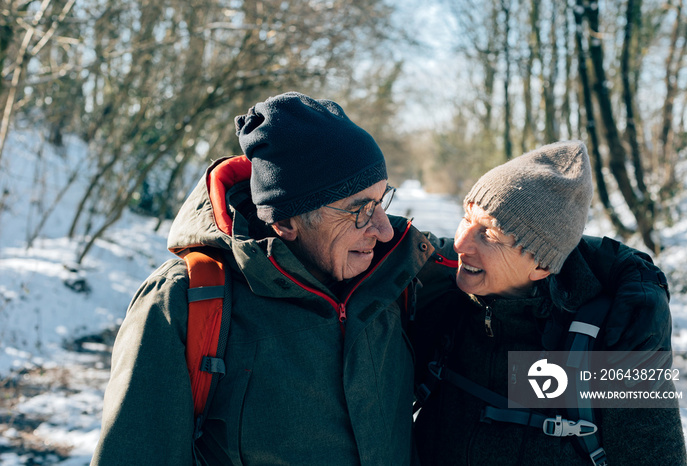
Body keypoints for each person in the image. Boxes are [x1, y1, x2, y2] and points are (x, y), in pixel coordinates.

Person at [91, 92, 453, 465]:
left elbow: (511, 319)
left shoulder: (401, 270)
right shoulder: (184, 301)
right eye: (358, 210)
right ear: (284, 221)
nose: (383, 230)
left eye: (381, 201)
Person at [412, 140, 687, 465]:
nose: (460, 243)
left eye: (488, 234)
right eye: (466, 217)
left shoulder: (609, 336)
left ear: (541, 265)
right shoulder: (439, 294)